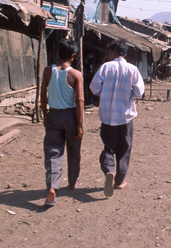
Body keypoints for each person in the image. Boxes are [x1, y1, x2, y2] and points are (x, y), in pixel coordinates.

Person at [90, 39, 145, 197]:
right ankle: (119, 181)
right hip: (125, 116)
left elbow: (94, 88)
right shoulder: (133, 69)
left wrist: (105, 93)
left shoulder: (106, 67)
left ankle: (109, 170)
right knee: (124, 149)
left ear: (113, 52)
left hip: (107, 116)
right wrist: (129, 94)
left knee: (109, 147)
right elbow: (139, 92)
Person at [41, 38, 84, 206]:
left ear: (58, 53)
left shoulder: (47, 71)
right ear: (73, 55)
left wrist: (45, 115)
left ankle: (52, 187)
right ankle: (73, 182)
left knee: (53, 152)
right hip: (71, 117)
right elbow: (80, 100)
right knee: (74, 151)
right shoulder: (75, 74)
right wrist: (79, 125)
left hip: (54, 116)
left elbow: (42, 95)